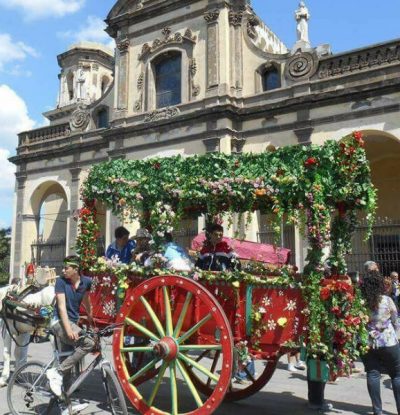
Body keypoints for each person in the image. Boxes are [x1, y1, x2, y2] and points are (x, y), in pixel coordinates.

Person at [46, 256, 95, 398]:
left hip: (72, 322)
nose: (63, 270)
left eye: (66, 268)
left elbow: (86, 300)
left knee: (67, 359)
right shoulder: (61, 282)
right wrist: (68, 330)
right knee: (89, 343)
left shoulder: (86, 282)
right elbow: (61, 308)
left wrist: (91, 318)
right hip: (58, 322)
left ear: (76, 269)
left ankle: (64, 399)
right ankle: (57, 372)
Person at [360, 272, 400, 415]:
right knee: (396, 375)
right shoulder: (387, 300)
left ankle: (377, 411)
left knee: (373, 374)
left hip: (367, 342)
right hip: (388, 341)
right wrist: (396, 335)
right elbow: (396, 320)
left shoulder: (360, 302)